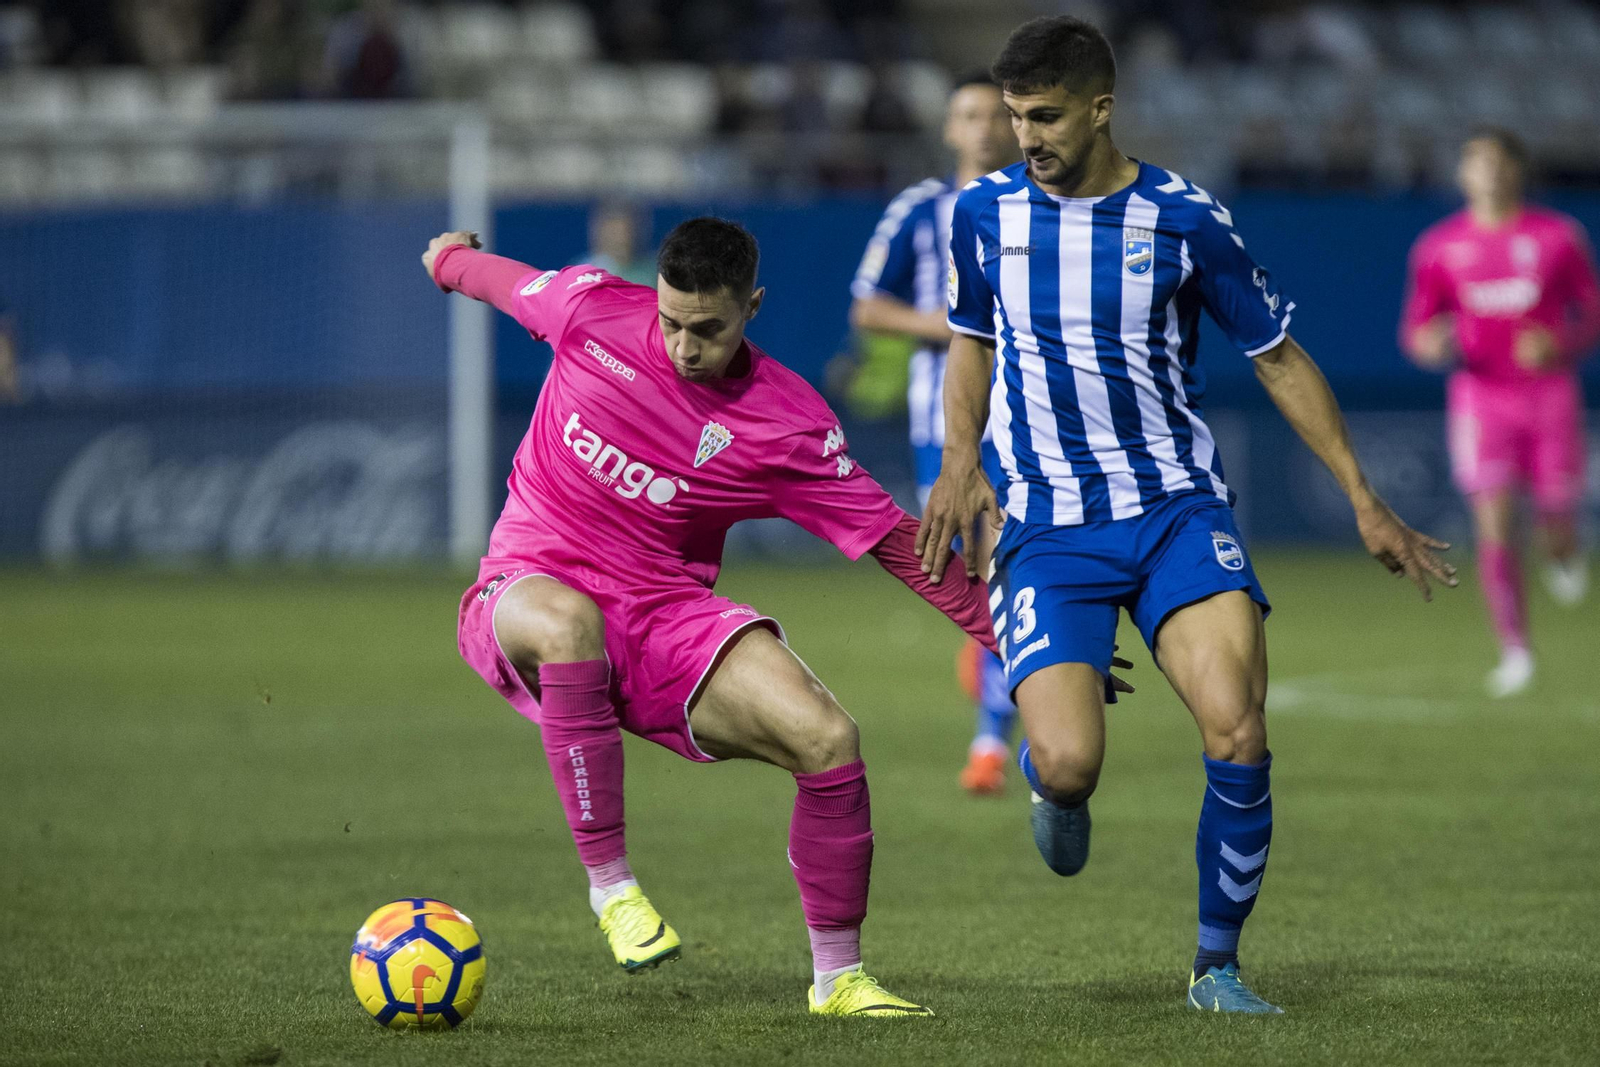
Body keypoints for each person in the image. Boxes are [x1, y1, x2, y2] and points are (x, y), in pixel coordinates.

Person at [425, 218, 1123, 1017]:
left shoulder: (782, 423)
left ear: (752, 305)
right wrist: (449, 258)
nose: (686, 346)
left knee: (827, 737)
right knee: (566, 622)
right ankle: (612, 888)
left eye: (709, 329)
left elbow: (901, 544)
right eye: (672, 322)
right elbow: (496, 280)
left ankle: (838, 978)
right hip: (526, 583)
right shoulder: (588, 308)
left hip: (663, 615)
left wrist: (1034, 642)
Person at [918, 16, 1456, 1014]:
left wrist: (1362, 498)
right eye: (1012, 116)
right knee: (1074, 765)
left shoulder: (1183, 218)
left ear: (1099, 108)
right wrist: (960, 462)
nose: (1023, 135)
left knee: (1238, 730)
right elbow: (967, 341)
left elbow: (1279, 358)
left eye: (1043, 116)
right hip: (1047, 526)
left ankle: (1214, 965)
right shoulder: (982, 214)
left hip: (1175, 510)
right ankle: (1048, 769)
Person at [849, 72, 1022, 795]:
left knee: (1009, 568)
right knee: (975, 570)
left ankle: (991, 742)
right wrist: (957, 329)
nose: (981, 125)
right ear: (950, 128)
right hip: (943, 424)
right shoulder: (921, 210)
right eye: (968, 114)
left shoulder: (1037, 207)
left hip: (1027, 422)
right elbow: (867, 305)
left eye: (993, 114)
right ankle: (992, 667)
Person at [1400, 129, 1600, 698]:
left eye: (1497, 161)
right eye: (1475, 161)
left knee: (1554, 525)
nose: (1487, 171)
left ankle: (1565, 543)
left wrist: (1558, 341)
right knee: (1493, 523)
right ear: (1462, 174)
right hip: (1481, 400)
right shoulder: (1439, 247)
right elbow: (1415, 332)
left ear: (1517, 169)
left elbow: (1592, 312)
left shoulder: (1558, 236)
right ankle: (1515, 650)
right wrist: (1431, 345)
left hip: (1549, 396)